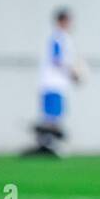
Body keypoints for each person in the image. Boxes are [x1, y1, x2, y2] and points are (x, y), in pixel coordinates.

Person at [35, 8, 83, 154]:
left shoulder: (62, 38)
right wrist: (73, 73)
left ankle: (48, 144)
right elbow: (58, 60)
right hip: (53, 83)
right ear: (61, 21)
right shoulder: (59, 38)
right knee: (52, 115)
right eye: (68, 20)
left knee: (54, 115)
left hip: (57, 83)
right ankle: (48, 145)